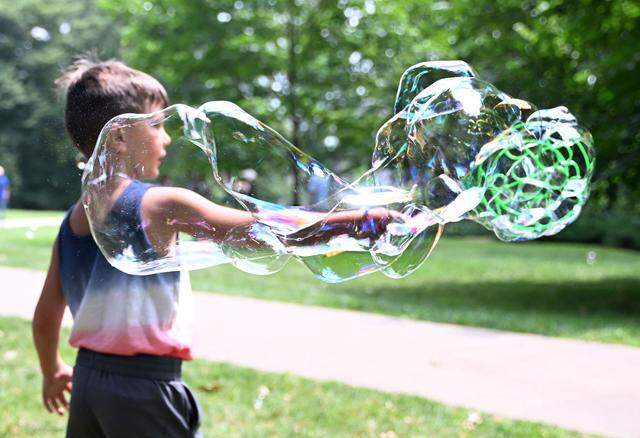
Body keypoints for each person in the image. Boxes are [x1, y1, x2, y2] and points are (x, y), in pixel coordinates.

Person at [32, 58, 392, 438]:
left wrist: (52, 369)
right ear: (119, 137)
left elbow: (45, 316)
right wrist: (353, 223)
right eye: (156, 125)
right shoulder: (159, 205)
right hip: (144, 387)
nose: (167, 138)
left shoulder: (75, 219)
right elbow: (261, 231)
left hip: (89, 381)